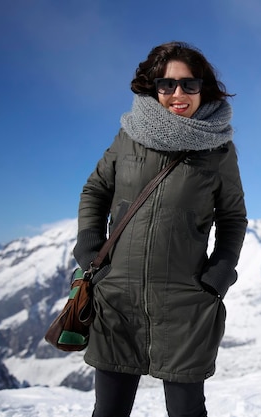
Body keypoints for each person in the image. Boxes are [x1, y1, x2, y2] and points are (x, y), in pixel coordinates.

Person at [73, 41, 247, 417]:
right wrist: (89, 249)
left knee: (187, 412)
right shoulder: (129, 136)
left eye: (189, 84)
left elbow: (232, 218)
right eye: (167, 85)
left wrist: (218, 275)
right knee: (109, 411)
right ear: (153, 88)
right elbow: (95, 190)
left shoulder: (219, 150)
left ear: (205, 88)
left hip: (186, 305)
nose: (178, 94)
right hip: (117, 299)